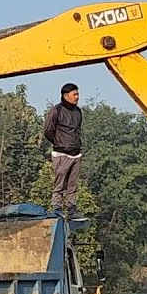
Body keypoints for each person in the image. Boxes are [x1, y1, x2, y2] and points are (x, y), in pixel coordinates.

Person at [43, 83, 84, 219]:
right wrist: (59, 143)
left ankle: (72, 210)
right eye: (74, 94)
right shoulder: (56, 111)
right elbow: (48, 130)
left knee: (73, 185)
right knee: (59, 184)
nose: (77, 97)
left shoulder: (78, 112)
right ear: (66, 96)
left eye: (77, 94)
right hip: (61, 154)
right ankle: (57, 209)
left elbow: (77, 130)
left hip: (76, 153)